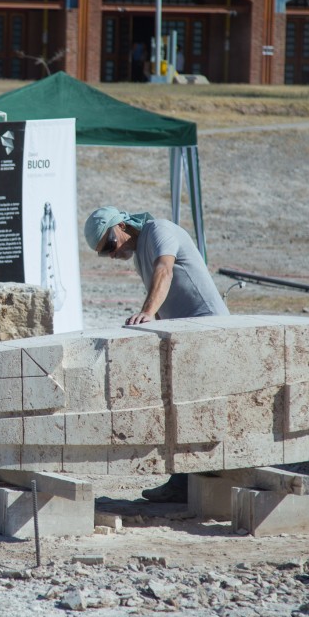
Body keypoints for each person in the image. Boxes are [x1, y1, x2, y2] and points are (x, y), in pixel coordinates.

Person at [84, 205, 228, 502]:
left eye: (110, 245)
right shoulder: (140, 256)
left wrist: (147, 312)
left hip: (210, 328)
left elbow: (165, 269)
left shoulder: (159, 230)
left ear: (122, 226)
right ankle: (182, 479)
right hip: (187, 335)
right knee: (179, 406)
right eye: (104, 253)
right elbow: (163, 302)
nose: (111, 254)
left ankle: (200, 478)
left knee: (199, 408)